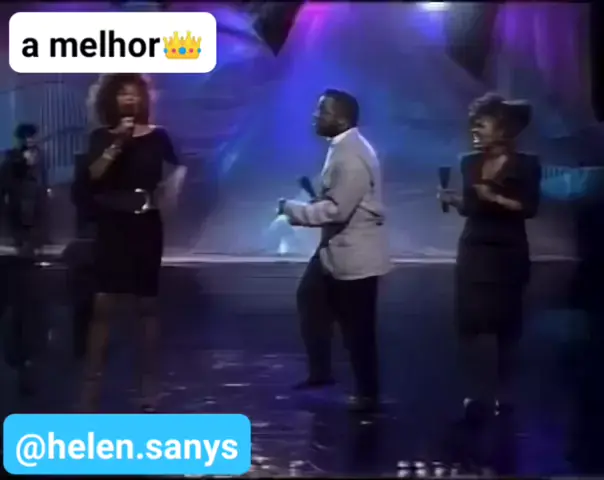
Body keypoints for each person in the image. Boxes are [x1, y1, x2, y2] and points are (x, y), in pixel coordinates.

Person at [78, 74, 186, 412]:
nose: (130, 99)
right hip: (112, 226)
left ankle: (148, 386)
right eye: (123, 94)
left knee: (147, 306)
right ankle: (91, 387)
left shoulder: (158, 136)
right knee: (103, 305)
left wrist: (173, 190)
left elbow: (178, 168)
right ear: (111, 99)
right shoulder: (101, 136)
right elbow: (94, 175)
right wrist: (118, 142)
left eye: (135, 93)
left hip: (146, 225)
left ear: (144, 98)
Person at [278, 89, 390, 413]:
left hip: (354, 256)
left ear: (341, 118)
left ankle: (367, 394)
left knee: (358, 328)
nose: (315, 116)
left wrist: (292, 209)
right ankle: (321, 372)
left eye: (322, 111)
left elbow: (337, 210)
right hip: (336, 251)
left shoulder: (350, 156)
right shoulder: (343, 148)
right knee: (310, 298)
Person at [437, 92, 541, 421]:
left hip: (508, 253)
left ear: (503, 128)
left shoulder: (527, 164)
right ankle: (474, 392)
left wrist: (494, 197)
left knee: (507, 327)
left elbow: (529, 208)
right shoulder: (469, 162)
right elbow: (471, 206)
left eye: (481, 124)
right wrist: (454, 200)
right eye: (473, 125)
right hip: (474, 251)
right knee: (468, 324)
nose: (475, 130)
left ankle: (504, 393)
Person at [0, 123, 49, 257]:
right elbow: (6, 178)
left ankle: (32, 250)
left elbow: (43, 176)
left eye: (32, 136)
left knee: (34, 231)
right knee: (22, 233)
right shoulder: (12, 157)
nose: (30, 140)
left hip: (35, 199)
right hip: (20, 200)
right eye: (27, 137)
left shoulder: (40, 155)